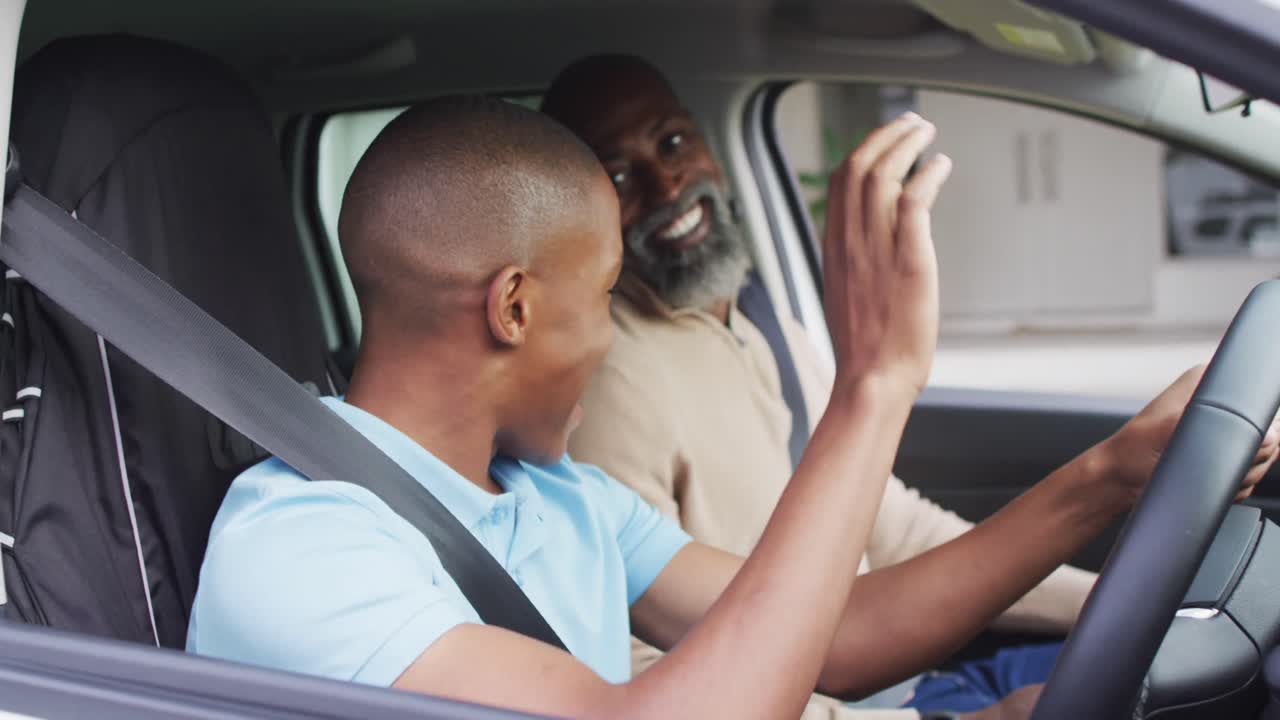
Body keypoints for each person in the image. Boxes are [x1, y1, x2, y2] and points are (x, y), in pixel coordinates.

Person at [186, 95, 1270, 720]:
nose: (610, 338)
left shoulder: (558, 497)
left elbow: (833, 643)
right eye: (605, 298)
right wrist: (868, 392)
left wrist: (1111, 475)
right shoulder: (305, 543)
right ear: (514, 307)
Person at [541, 54, 1277, 716]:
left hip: (911, 674)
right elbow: (669, 671)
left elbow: (878, 526)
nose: (666, 183)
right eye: (616, 174)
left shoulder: (752, 312)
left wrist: (1107, 606)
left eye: (672, 143)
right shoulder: (605, 387)